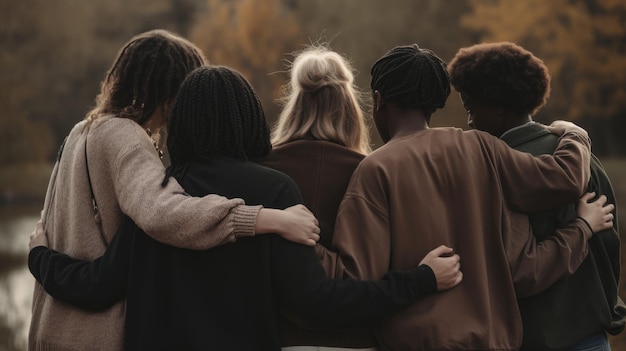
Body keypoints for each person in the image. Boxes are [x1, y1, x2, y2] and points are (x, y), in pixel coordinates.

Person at [28, 65, 465, 351]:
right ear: (251, 118)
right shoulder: (273, 190)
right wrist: (421, 279)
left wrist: (41, 256)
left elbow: (98, 285)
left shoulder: (160, 193)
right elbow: (318, 301)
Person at [29, 30, 319, 351]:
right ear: (171, 99)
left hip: (52, 326)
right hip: (93, 335)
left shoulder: (80, 132)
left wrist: (41, 257)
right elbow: (163, 213)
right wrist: (265, 218)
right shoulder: (124, 135)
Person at [317, 44, 615, 350]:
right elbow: (564, 179)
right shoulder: (482, 148)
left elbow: (355, 279)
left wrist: (298, 235)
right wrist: (576, 134)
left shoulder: (375, 170)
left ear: (379, 100)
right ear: (435, 102)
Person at [447, 41, 626, 351]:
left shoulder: (494, 173)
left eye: (472, 108)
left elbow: (516, 271)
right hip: (592, 336)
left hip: (531, 339)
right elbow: (609, 247)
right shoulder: (584, 157)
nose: (470, 121)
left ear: (498, 107)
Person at [259, 45, 408, 349]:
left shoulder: (263, 168)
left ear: (296, 104)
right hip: (356, 337)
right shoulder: (372, 171)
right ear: (349, 106)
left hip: (280, 337)